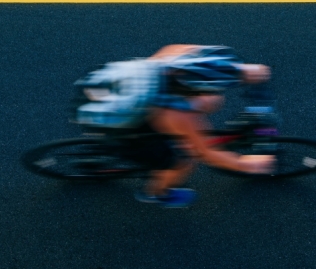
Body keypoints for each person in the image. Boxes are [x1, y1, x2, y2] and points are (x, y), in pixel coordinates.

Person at [100, 45, 275, 208]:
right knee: (185, 163)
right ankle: (155, 193)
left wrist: (248, 72)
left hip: (120, 89)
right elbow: (207, 154)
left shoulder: (176, 56)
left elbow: (219, 68)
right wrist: (248, 165)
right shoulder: (177, 116)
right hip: (126, 130)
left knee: (210, 102)